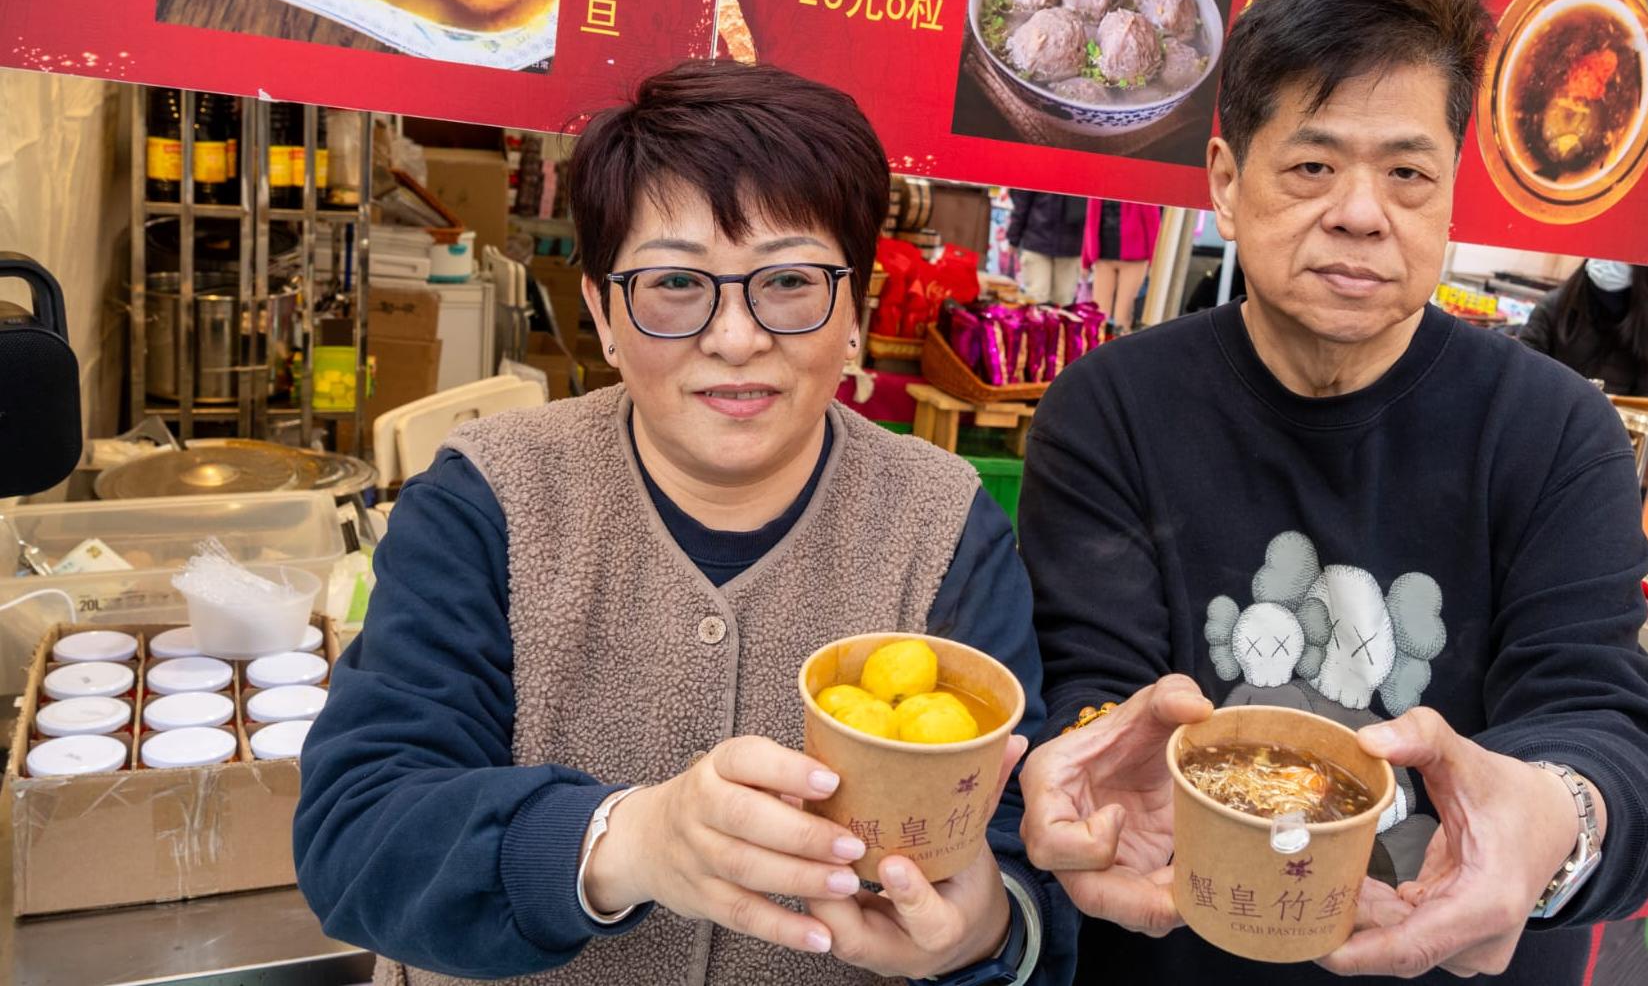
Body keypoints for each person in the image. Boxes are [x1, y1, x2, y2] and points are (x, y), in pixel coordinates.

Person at [294, 60, 1073, 986]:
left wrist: (983, 931)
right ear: (602, 312)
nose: (736, 337)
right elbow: (362, 834)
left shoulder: (945, 527)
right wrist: (626, 843)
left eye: (788, 281)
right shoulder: (484, 501)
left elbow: (1014, 855)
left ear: (855, 311)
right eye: (675, 284)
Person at [1015, 0, 1648, 985]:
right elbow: (1094, 682)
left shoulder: (1554, 429)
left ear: (1451, 198)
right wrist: (1094, 763)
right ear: (1227, 184)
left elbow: (1602, 715)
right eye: (1311, 166)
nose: (1361, 213)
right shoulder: (1110, 412)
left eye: (1408, 173)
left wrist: (1558, 816)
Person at [1517, 260, 1648, 398]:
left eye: (1622, 252)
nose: (1610, 259)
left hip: (1611, 426)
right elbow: (1522, 371)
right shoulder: (1555, 306)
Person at [1083, 199, 1162, 330]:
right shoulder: (1098, 188)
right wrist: (1086, 261)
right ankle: (1099, 347)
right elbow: (1090, 223)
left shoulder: (1141, 189)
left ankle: (1119, 346)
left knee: (1123, 314)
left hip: (1134, 260)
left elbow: (1153, 225)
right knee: (1099, 313)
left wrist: (1154, 262)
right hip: (1103, 258)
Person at [1007, 190, 1088, 305]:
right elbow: (1022, 204)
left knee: (1063, 301)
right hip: (1037, 242)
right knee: (1036, 298)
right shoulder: (1038, 173)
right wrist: (1013, 237)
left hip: (1070, 246)